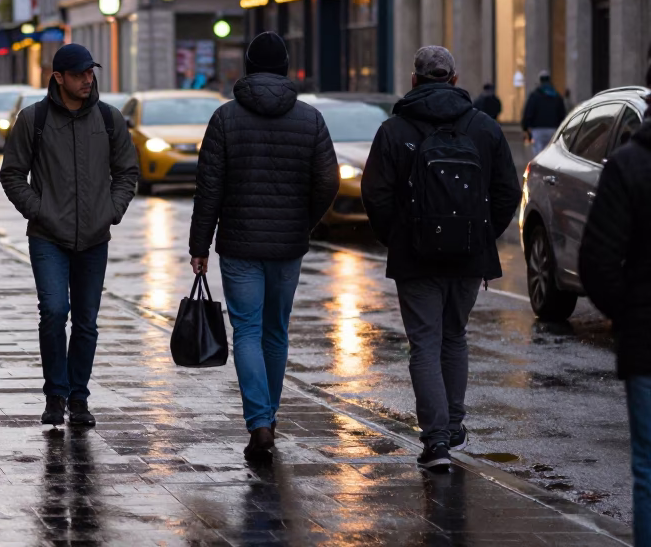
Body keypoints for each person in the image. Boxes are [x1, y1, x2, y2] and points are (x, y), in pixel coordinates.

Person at [361, 46, 520, 473]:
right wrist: (483, 233)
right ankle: (453, 426)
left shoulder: (394, 129)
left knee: (425, 344)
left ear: (414, 80)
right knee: (455, 336)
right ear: (454, 79)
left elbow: (374, 193)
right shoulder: (483, 127)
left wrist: (397, 236)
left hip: (416, 258)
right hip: (470, 255)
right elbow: (508, 191)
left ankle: (436, 442)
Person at [188, 32, 339, 461]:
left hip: (238, 245)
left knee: (248, 332)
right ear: (287, 68)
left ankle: (259, 423)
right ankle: (269, 417)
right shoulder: (310, 119)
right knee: (276, 331)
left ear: (248, 69)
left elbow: (209, 188)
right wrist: (303, 221)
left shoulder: (225, 119)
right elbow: (328, 180)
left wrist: (200, 244)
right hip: (287, 245)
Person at [0, 44, 139, 427]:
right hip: (48, 236)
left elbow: (127, 172)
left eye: (90, 73)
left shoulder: (109, 120)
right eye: (78, 74)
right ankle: (54, 395)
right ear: (58, 77)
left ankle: (79, 397)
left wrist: (111, 210)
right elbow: (11, 174)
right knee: (54, 312)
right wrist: (39, 210)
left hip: (95, 237)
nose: (87, 79)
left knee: (86, 320)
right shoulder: (34, 120)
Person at [579, 116, 651, 546]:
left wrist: (630, 314)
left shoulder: (628, 164)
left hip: (647, 341)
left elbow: (597, 261)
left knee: (648, 468)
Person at [521, 70, 568, 155]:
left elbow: (528, 112)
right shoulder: (556, 96)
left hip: (537, 130)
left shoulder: (534, 96)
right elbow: (562, 114)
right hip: (553, 129)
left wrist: (525, 127)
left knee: (539, 153)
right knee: (551, 152)